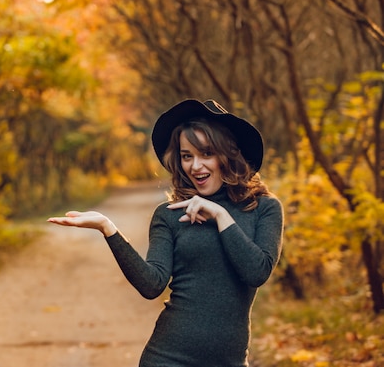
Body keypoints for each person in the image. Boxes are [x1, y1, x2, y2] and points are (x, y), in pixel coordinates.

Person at [48, 99, 284, 367]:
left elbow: (256, 272)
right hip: (167, 358)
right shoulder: (171, 214)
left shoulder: (263, 208)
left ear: (228, 154)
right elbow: (152, 285)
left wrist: (220, 215)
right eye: (187, 156)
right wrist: (108, 229)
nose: (195, 166)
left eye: (206, 153)